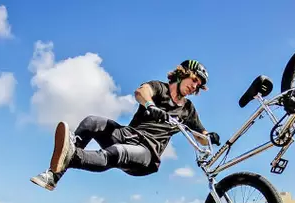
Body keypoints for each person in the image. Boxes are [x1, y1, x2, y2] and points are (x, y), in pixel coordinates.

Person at [30, 60, 221, 190]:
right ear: (182, 74)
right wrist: (150, 106)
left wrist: (209, 137)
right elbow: (141, 92)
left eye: (198, 85)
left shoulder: (187, 109)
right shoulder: (159, 88)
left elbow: (200, 136)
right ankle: (54, 177)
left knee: (114, 152)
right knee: (91, 122)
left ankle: (71, 156)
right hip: (128, 135)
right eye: (194, 80)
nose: (194, 86)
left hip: (146, 154)